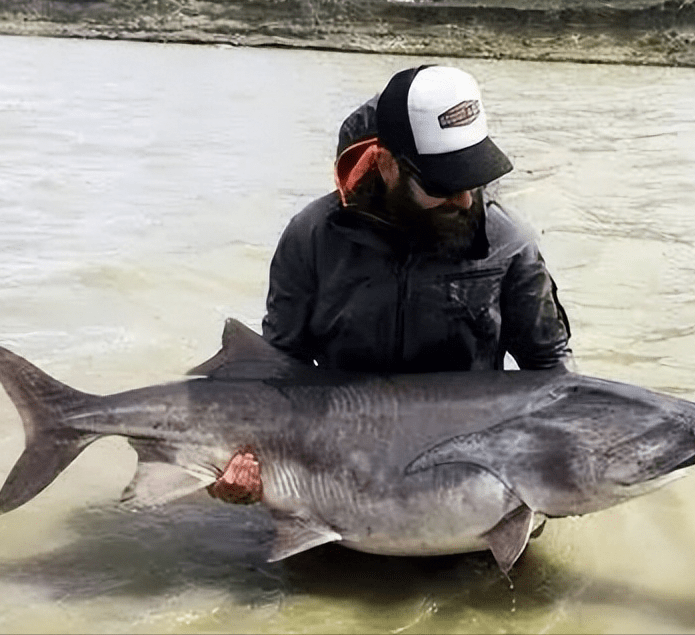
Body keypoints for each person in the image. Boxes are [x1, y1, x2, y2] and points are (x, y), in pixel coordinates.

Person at [208, 65, 571, 502]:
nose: (464, 199)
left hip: (469, 485)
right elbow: (279, 371)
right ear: (386, 164)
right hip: (335, 480)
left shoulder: (510, 243)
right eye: (442, 183)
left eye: (472, 179)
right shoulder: (311, 237)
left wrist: (562, 474)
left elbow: (551, 372)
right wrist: (241, 466)